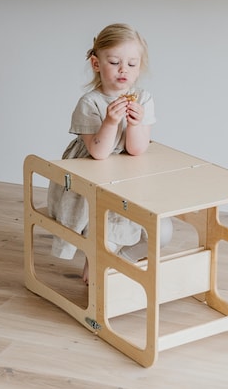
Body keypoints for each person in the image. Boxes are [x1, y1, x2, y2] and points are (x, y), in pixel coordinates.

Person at [47, 23, 173, 283]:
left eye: (131, 64)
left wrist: (136, 124)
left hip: (128, 174)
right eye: (115, 62)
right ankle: (96, 263)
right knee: (103, 226)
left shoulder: (144, 98)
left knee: (160, 231)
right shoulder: (90, 102)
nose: (123, 70)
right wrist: (110, 122)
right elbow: (98, 152)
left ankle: (120, 259)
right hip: (93, 172)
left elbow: (136, 149)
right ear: (96, 64)